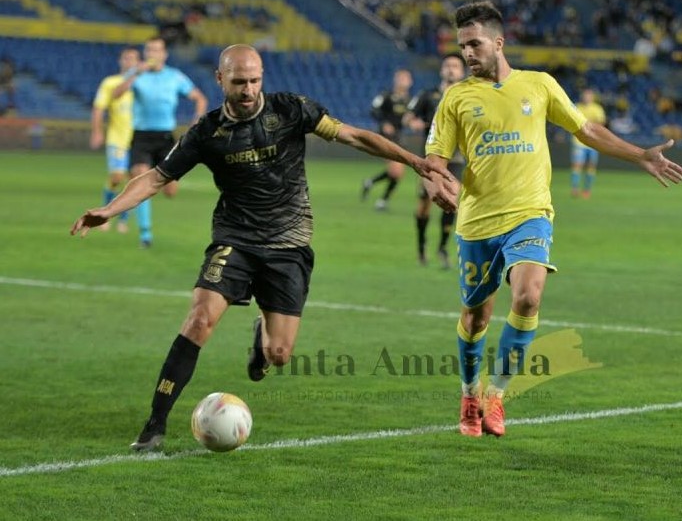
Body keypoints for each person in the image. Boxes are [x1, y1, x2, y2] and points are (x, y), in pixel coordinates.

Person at [70, 44, 458, 452]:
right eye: (239, 82)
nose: (249, 89)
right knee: (200, 319)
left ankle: (262, 336)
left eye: (255, 80)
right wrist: (110, 210)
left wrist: (417, 163)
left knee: (279, 355)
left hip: (289, 245)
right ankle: (154, 424)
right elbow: (155, 178)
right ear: (220, 79)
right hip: (234, 239)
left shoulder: (291, 110)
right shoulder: (206, 132)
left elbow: (355, 136)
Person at [421, 1, 682, 438]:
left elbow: (585, 129)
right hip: (477, 221)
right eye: (462, 45)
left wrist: (640, 154)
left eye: (475, 44)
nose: (467, 53)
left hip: (531, 215)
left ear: (498, 42)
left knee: (528, 298)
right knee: (476, 317)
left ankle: (496, 396)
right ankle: (470, 392)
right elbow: (436, 157)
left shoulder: (539, 85)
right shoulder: (456, 98)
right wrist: (434, 180)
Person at [110, 36, 208, 248]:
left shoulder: (175, 77)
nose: (152, 54)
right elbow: (115, 94)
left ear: (164, 54)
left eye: (156, 50)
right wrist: (135, 72)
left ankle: (148, 225)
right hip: (141, 136)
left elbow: (199, 98)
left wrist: (197, 119)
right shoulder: (137, 75)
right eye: (149, 50)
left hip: (165, 138)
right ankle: (145, 234)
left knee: (170, 191)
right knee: (140, 180)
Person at [403, 53, 466, 268]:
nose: (451, 69)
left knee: (451, 201)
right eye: (448, 65)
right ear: (442, 70)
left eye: (455, 66)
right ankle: (421, 247)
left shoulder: (467, 96)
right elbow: (408, 116)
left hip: (456, 158)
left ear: (462, 71)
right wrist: (414, 123)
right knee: (424, 206)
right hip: (430, 159)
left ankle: (442, 248)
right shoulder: (427, 95)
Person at [89, 46, 141, 234]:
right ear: (121, 61)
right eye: (126, 58)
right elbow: (98, 108)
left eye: (133, 59)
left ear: (138, 62)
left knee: (134, 181)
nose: (129, 62)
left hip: (137, 140)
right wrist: (97, 131)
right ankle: (105, 213)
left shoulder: (143, 83)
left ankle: (123, 220)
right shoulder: (110, 82)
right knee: (117, 177)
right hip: (117, 138)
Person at [360, 68, 414, 211]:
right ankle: (382, 200)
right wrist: (384, 123)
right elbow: (374, 110)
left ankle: (371, 183)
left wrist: (413, 122)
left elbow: (410, 117)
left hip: (400, 137)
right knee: (396, 171)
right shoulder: (386, 96)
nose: (404, 81)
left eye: (406, 78)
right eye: (401, 78)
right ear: (395, 80)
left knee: (397, 173)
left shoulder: (410, 100)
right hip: (386, 137)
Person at [570, 88, 607, 198]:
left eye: (589, 95)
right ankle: (575, 188)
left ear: (592, 97)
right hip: (578, 142)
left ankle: (587, 190)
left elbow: (602, 123)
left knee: (591, 166)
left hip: (593, 142)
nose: (586, 97)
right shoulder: (576, 107)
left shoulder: (597, 108)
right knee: (577, 165)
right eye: (585, 95)